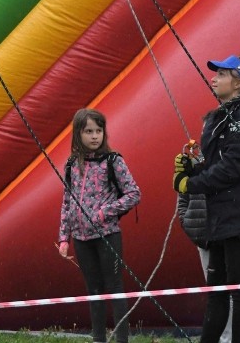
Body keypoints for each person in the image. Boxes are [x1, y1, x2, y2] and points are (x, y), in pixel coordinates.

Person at [172, 53, 240, 343]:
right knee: (216, 290)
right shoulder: (221, 118)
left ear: (238, 81)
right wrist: (193, 169)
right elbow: (218, 163)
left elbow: (232, 168)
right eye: (215, 73)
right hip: (222, 218)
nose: (214, 78)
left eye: (221, 73)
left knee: (239, 291)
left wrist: (190, 185)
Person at [57, 109, 141, 343]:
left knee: (115, 287)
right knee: (94, 290)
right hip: (81, 239)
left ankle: (122, 339)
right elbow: (67, 201)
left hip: (107, 235)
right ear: (78, 134)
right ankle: (98, 338)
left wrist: (105, 212)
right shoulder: (72, 164)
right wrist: (64, 237)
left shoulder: (113, 161)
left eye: (99, 131)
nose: (95, 136)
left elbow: (134, 194)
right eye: (88, 131)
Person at [176, 192, 232, 343]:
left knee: (235, 291)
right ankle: (224, 338)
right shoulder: (191, 170)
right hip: (206, 239)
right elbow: (183, 200)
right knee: (216, 293)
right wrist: (193, 230)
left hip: (229, 235)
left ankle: (235, 338)